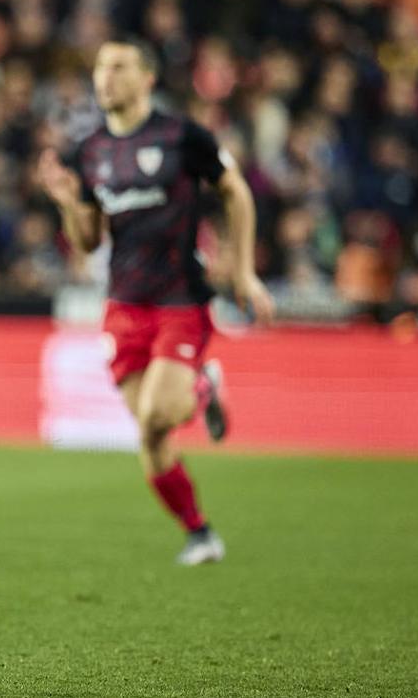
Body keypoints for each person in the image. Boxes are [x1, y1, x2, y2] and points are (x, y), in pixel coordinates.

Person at [37, 36, 276, 565]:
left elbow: (234, 191)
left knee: (155, 416)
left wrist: (243, 273)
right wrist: (66, 204)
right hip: (123, 304)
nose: (106, 77)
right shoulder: (89, 150)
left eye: (119, 67)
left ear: (147, 79)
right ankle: (199, 531)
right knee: (151, 436)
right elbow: (89, 241)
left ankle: (199, 383)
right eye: (100, 67)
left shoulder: (181, 136)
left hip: (179, 300)